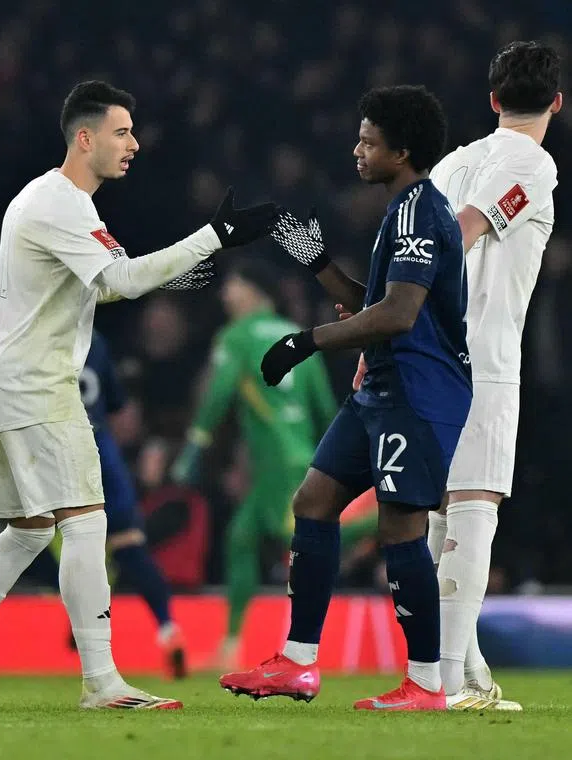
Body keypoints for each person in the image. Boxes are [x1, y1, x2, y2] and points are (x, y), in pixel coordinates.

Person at [0, 80, 277, 709]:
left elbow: (116, 283)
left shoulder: (62, 203)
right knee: (88, 522)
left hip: (6, 379)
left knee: (30, 530)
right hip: (37, 382)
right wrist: (213, 237)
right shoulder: (58, 201)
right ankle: (102, 682)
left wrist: (205, 243)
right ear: (85, 137)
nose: (135, 144)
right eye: (122, 132)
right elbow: (121, 279)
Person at [220, 85, 467, 711]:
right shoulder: (400, 209)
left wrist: (308, 341)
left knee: (399, 528)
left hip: (417, 393)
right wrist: (314, 258)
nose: (356, 150)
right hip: (381, 390)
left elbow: (400, 314)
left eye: (368, 141)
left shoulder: (419, 211)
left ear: (401, 151)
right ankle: (297, 663)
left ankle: (426, 683)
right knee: (314, 500)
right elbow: (375, 303)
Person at [426, 40, 560, 711]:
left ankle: (462, 669)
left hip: (428, 351)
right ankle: (447, 683)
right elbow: (466, 228)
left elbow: (414, 236)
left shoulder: (454, 161)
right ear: (557, 103)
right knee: (475, 506)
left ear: (492, 99)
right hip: (481, 356)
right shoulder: (531, 161)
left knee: (441, 511)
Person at [170, 261, 337, 668]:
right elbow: (325, 408)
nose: (226, 294)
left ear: (255, 292)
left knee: (301, 542)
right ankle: (231, 646)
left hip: (277, 463)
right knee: (241, 538)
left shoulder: (237, 336)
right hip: (301, 458)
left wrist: (194, 448)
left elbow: (219, 393)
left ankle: (387, 527)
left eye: (234, 284)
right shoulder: (300, 337)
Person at [83, 330, 187, 678]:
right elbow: (116, 402)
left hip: (59, 448)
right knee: (129, 545)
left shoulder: (37, 327)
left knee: (41, 539)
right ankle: (168, 628)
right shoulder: (95, 339)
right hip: (103, 451)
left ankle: (80, 628)